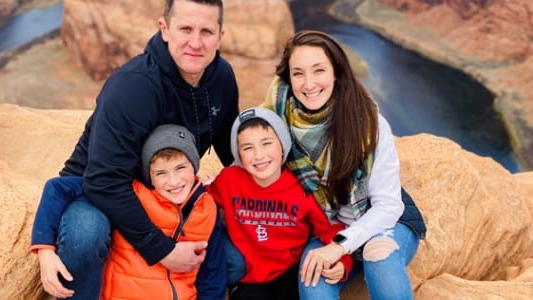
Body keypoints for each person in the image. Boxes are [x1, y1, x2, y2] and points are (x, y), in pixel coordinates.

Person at [30, 0, 239, 298]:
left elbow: (230, 149)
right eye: (185, 29)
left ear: (220, 35)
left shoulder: (221, 78)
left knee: (233, 260)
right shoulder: (134, 87)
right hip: (98, 193)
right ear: (164, 29)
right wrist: (163, 251)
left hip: (167, 195)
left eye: (206, 31)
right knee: (86, 234)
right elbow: (103, 181)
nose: (196, 42)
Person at [262, 30, 427, 300]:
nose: (309, 83)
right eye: (298, 73)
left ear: (336, 72)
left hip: (380, 220)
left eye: (319, 71)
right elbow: (250, 159)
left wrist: (341, 247)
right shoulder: (277, 120)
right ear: (288, 78)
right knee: (313, 280)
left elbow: (388, 205)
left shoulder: (367, 122)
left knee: (380, 258)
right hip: (325, 226)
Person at [31, 124, 226, 299]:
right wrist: (45, 249)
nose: (173, 181)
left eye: (180, 168)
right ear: (149, 175)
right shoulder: (130, 193)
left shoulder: (207, 208)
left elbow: (212, 274)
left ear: (195, 167)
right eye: (161, 173)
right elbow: (57, 187)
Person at [206, 107, 354, 300]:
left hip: (290, 272)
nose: (259, 155)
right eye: (248, 148)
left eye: (266, 143)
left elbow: (330, 229)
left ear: (282, 145)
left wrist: (344, 262)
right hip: (249, 278)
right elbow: (203, 201)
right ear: (238, 154)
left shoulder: (303, 185)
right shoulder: (229, 180)